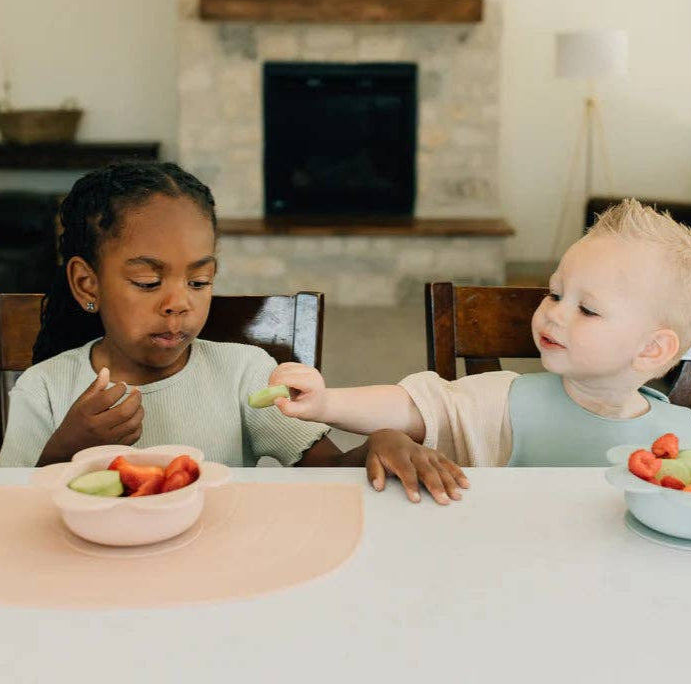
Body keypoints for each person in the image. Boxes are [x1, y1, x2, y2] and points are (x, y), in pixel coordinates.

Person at [0, 162, 467, 504]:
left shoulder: (243, 372)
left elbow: (327, 471)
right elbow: (15, 511)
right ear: (88, 284)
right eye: (148, 282)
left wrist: (378, 443)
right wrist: (67, 450)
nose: (179, 303)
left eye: (199, 281)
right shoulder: (44, 388)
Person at [269, 199, 691, 473]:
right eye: (555, 293)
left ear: (651, 349)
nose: (554, 313)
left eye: (587, 309)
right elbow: (412, 406)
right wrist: (326, 403)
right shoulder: (502, 401)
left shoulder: (682, 435)